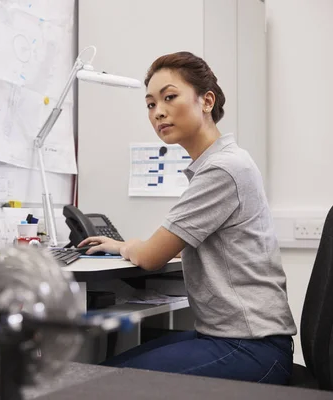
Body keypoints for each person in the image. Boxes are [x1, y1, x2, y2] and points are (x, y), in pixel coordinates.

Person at [78, 51, 297, 385]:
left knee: (101, 383)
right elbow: (206, 247)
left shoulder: (223, 169)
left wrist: (128, 246)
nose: (159, 112)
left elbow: (151, 256)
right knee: (104, 369)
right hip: (232, 338)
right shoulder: (224, 162)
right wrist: (128, 245)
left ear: (206, 101)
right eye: (150, 104)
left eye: (170, 97)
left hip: (251, 347)